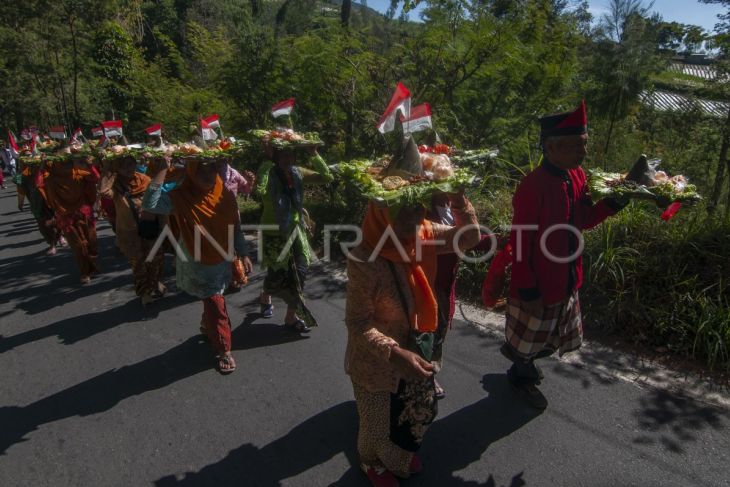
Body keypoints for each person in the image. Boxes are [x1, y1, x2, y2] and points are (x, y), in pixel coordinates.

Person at [345, 190, 479, 487]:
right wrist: (393, 352)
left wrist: (457, 199)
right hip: (375, 361)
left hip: (416, 348)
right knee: (376, 422)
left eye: (418, 207)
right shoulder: (365, 258)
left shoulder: (424, 233)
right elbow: (358, 323)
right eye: (401, 210)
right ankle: (372, 462)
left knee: (415, 415)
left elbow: (469, 238)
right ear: (381, 211)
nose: (413, 217)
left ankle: (397, 456)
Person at [501, 100, 628, 410]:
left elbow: (583, 219)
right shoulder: (533, 187)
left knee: (549, 335)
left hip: (566, 276)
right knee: (532, 337)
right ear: (551, 148)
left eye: (583, 144)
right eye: (574, 146)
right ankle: (521, 374)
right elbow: (519, 240)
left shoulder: (577, 176)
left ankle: (520, 358)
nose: (582, 153)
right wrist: (527, 286)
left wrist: (613, 204)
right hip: (538, 282)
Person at [142, 156, 253, 374]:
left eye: (211, 169)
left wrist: (244, 252)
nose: (206, 175)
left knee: (214, 298)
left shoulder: (225, 196)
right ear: (191, 172)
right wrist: (162, 170)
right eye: (200, 170)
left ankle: (206, 325)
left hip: (222, 260)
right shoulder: (181, 196)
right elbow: (150, 204)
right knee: (216, 303)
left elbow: (236, 227)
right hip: (199, 263)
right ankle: (223, 349)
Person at [257, 144, 333, 332]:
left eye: (290, 154)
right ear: (275, 156)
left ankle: (291, 317)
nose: (287, 158)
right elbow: (259, 189)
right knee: (276, 275)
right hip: (274, 232)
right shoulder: (267, 171)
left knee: (300, 272)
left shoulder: (298, 172)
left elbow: (327, 177)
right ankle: (266, 295)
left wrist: (314, 154)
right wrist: (267, 160)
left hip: (296, 231)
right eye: (282, 154)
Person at [99, 155, 166, 305]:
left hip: (151, 227)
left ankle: (156, 283)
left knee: (156, 259)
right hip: (130, 232)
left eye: (131, 164)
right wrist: (106, 170)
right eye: (123, 166)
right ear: (117, 167)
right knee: (139, 263)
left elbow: (157, 196)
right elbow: (104, 192)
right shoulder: (114, 184)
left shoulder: (144, 179)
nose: (128, 169)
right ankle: (144, 292)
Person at [40, 154, 100, 283]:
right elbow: (39, 184)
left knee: (91, 241)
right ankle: (85, 272)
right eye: (63, 163)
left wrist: (89, 164)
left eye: (69, 162)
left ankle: (92, 265)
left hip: (84, 212)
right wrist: (42, 165)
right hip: (65, 215)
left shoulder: (79, 173)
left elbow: (96, 178)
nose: (67, 165)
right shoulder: (51, 178)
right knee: (77, 246)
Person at [18, 157, 64, 255]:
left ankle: (60, 236)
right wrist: (20, 203)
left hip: (51, 203)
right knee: (43, 226)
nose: (34, 167)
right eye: (32, 165)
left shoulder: (47, 173)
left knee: (57, 221)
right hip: (37, 205)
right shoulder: (22, 176)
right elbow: (21, 191)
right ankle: (52, 244)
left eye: (37, 165)